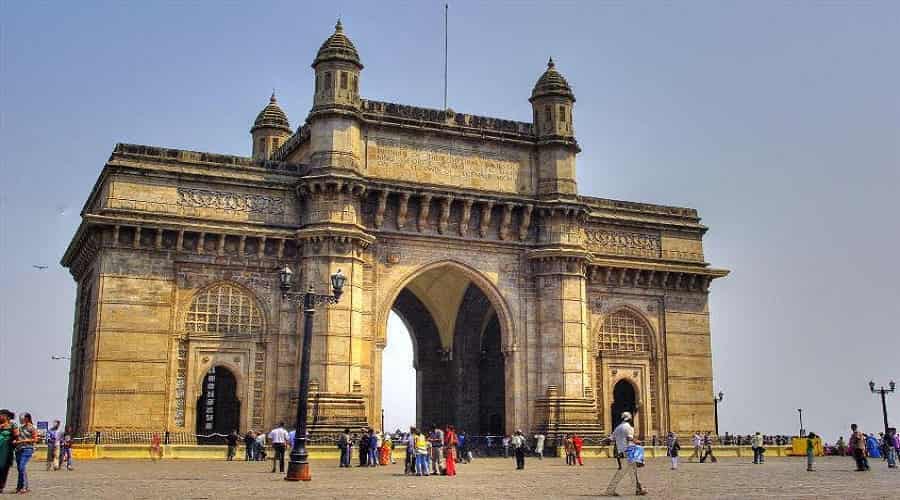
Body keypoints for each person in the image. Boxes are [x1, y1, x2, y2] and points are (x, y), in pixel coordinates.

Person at [604, 412, 648, 497]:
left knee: (633, 471)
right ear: (629, 419)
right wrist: (639, 442)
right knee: (622, 473)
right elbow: (629, 438)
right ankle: (610, 490)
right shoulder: (629, 428)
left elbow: (610, 439)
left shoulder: (618, 428)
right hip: (629, 452)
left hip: (621, 452)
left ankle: (638, 489)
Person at [0, 409, 20, 494]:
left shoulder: (12, 425)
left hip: (6, 449)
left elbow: (16, 437)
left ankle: (1, 486)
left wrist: (14, 442)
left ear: (6, 416)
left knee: (3, 467)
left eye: (1, 415)